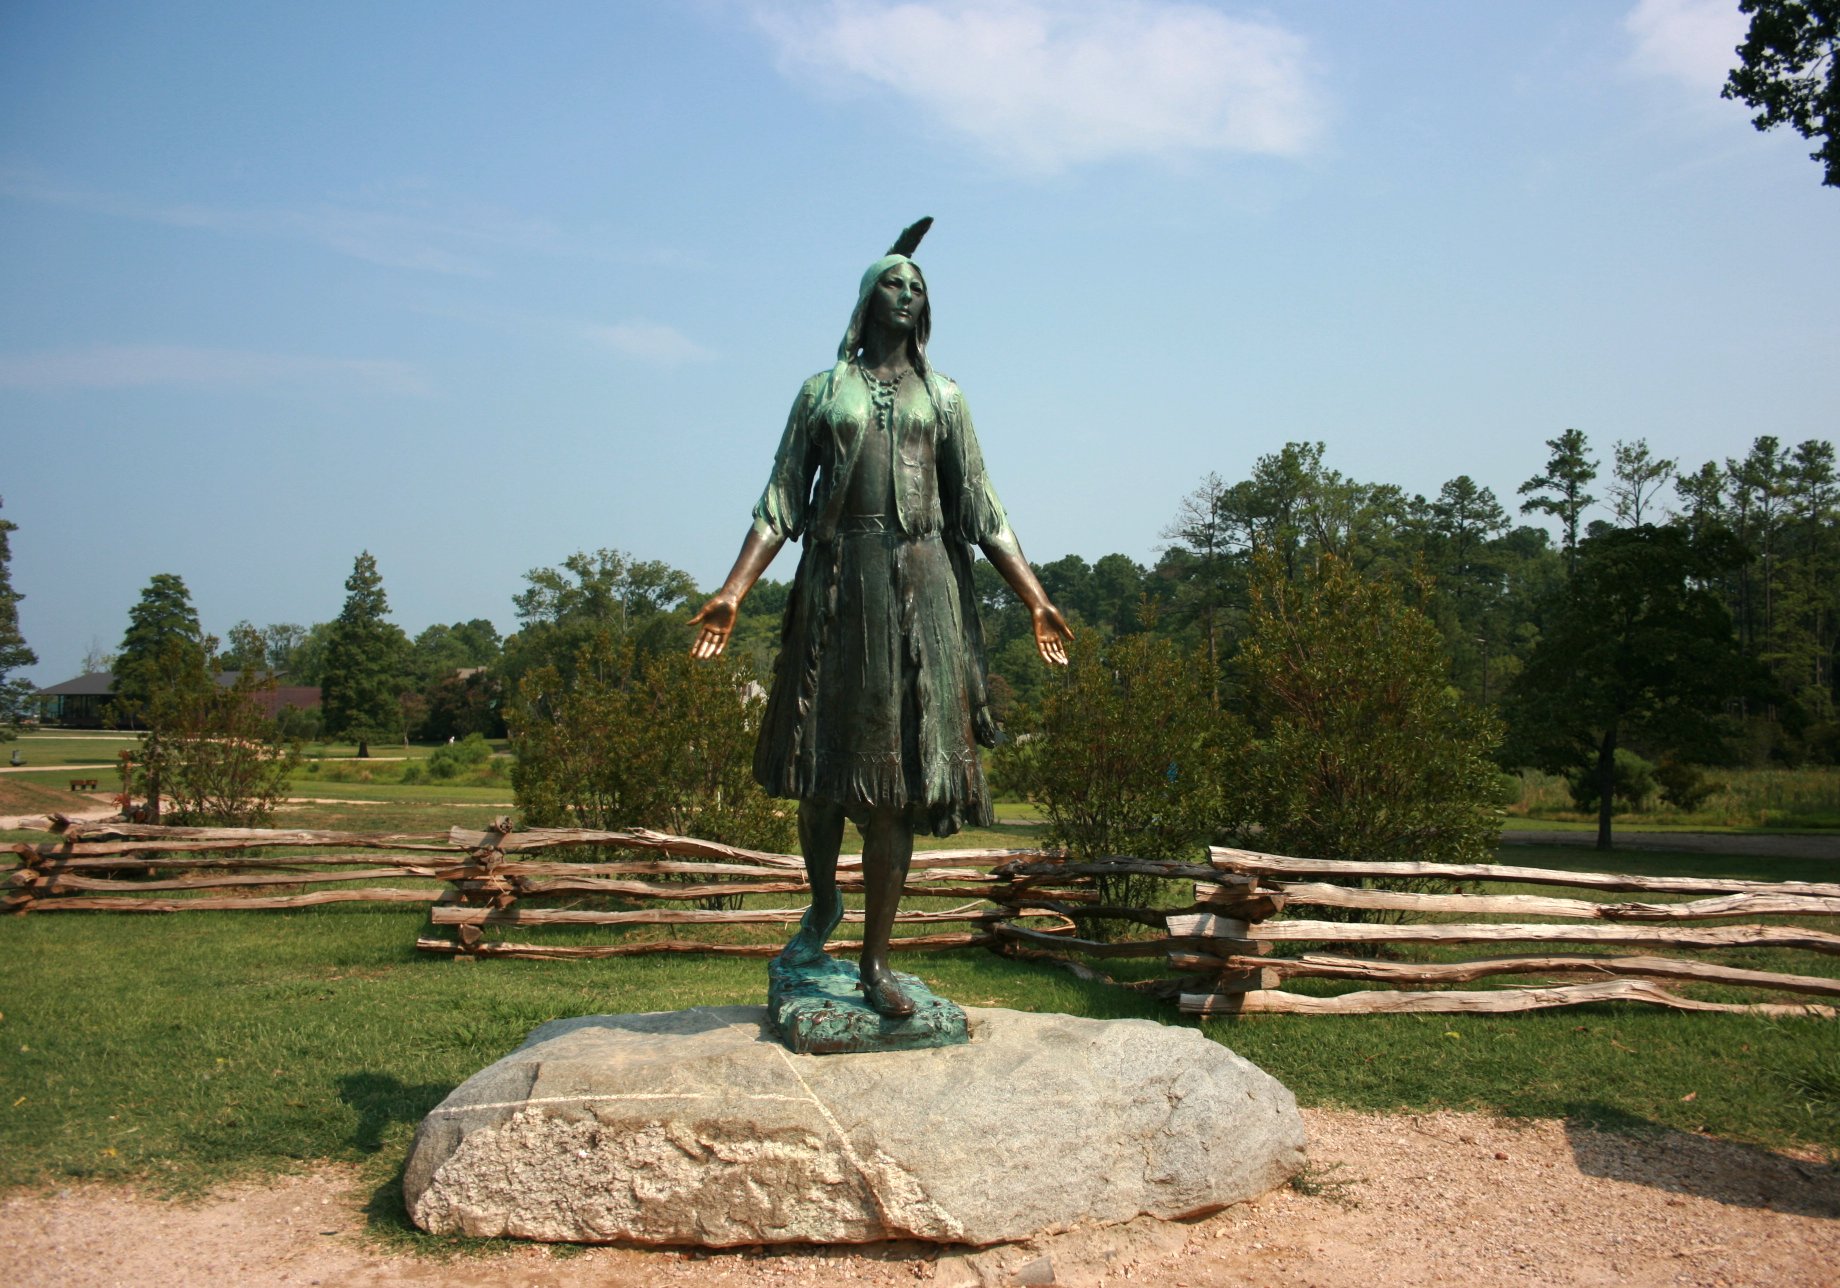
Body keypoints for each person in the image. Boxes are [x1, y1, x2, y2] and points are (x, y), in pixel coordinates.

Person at [690, 220, 1071, 1018]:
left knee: (894, 786)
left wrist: (1034, 595)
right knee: (825, 772)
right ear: (867, 298)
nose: (909, 293)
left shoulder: (947, 398)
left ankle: (875, 962)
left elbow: (982, 507)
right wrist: (733, 589)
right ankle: (824, 902)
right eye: (894, 283)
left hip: (924, 587)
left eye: (918, 286)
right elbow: (782, 499)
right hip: (838, 587)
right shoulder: (823, 391)